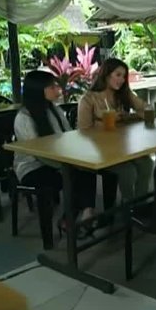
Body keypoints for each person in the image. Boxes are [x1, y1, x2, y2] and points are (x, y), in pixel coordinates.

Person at [13, 70, 98, 240]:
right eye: (51, 87)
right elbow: (38, 152)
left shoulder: (54, 109)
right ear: (39, 90)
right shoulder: (24, 118)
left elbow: (68, 135)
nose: (57, 90)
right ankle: (71, 220)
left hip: (59, 159)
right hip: (33, 166)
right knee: (72, 175)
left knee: (87, 169)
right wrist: (64, 165)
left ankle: (86, 214)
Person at [77, 58, 154, 201]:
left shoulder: (123, 94)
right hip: (100, 150)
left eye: (124, 76)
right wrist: (102, 121)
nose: (122, 80)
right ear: (106, 75)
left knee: (147, 163)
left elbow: (146, 108)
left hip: (123, 147)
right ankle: (127, 206)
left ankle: (140, 203)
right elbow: (83, 131)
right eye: (118, 75)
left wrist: (127, 116)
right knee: (128, 172)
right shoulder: (88, 99)